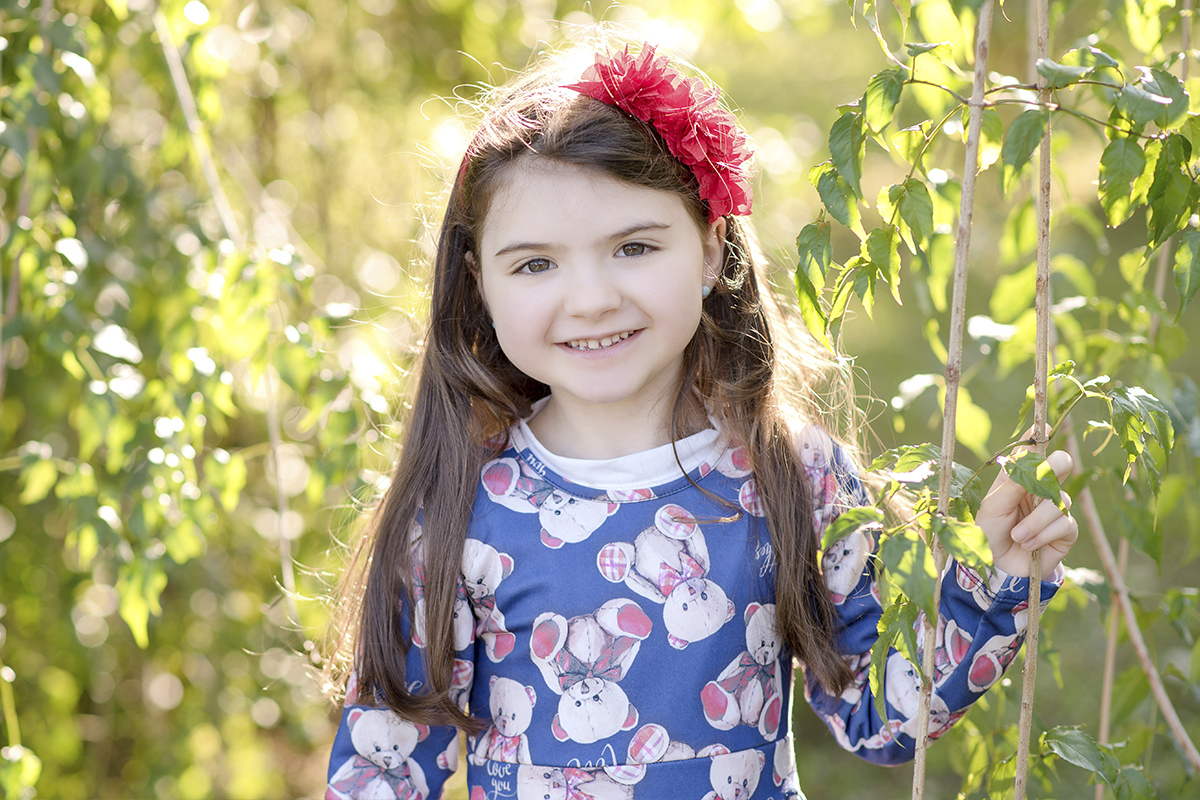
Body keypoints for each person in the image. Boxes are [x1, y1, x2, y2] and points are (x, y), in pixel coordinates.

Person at [322, 34, 1079, 800]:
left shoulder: (793, 474)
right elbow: (384, 769)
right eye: (536, 264)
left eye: (634, 247)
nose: (590, 298)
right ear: (479, 282)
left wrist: (996, 578)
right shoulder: (460, 505)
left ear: (712, 250)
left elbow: (882, 716)